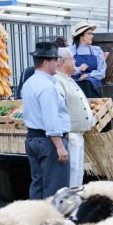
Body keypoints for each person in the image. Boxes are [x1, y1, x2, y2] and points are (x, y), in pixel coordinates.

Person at [21, 41, 70, 199]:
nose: (58, 63)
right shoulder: (47, 87)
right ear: (46, 62)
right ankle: (52, 221)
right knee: (55, 191)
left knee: (38, 185)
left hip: (33, 139)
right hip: (48, 141)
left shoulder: (29, 83)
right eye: (56, 60)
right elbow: (51, 118)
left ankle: (36, 220)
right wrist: (60, 146)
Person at [54, 47, 96, 188]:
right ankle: (70, 204)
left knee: (77, 173)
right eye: (72, 59)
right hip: (70, 135)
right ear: (61, 62)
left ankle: (75, 201)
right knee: (72, 174)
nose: (75, 61)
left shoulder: (68, 79)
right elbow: (58, 112)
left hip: (77, 135)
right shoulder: (57, 81)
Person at [70, 21, 106, 98]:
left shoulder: (97, 51)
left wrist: (88, 75)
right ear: (81, 35)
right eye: (89, 34)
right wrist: (79, 69)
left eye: (92, 34)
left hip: (93, 85)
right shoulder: (70, 51)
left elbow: (102, 72)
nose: (92, 36)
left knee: (87, 83)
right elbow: (64, 70)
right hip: (74, 85)